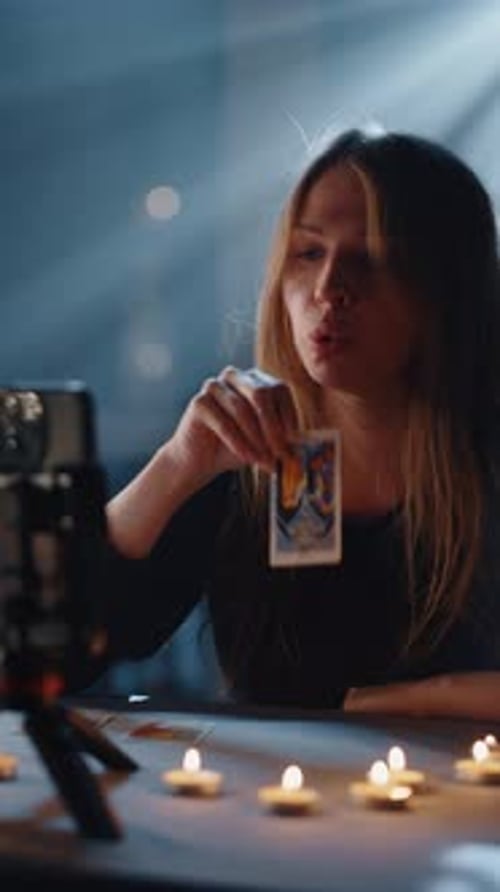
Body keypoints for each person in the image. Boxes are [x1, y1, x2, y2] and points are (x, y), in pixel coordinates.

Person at [89, 128, 500, 718]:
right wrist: (176, 466)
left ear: (449, 287)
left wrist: (388, 703)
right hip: (274, 809)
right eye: (309, 253)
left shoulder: (485, 462)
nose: (330, 289)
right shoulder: (252, 448)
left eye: (373, 259)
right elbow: (55, 651)